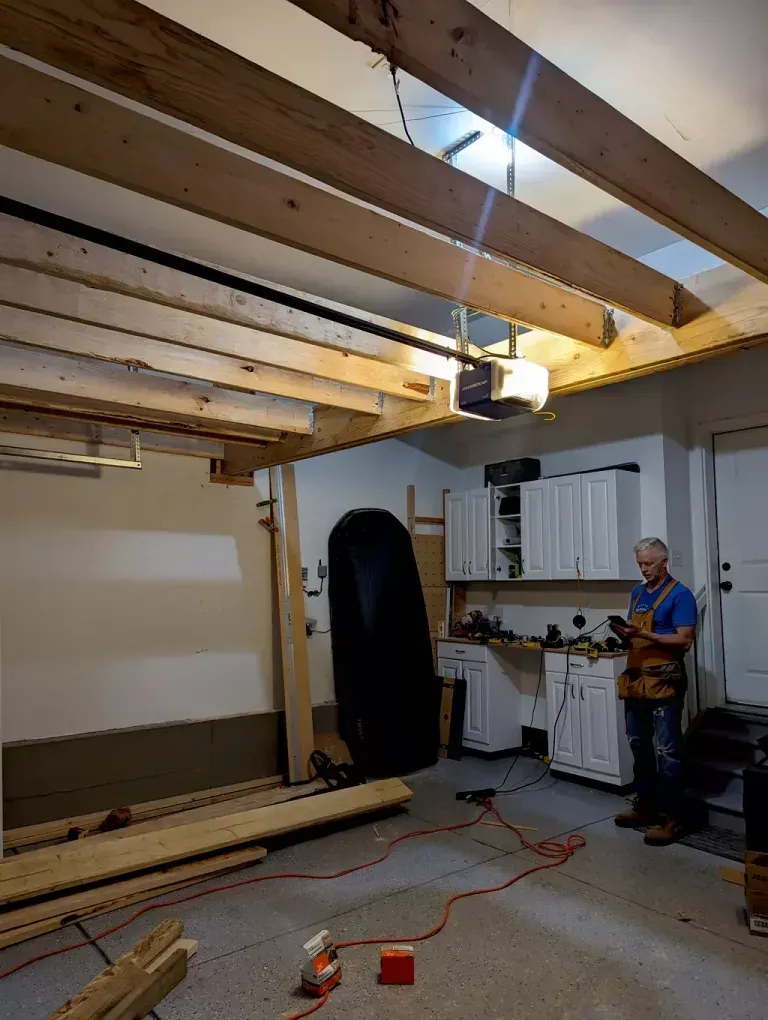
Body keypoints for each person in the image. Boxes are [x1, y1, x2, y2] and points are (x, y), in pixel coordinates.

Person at [610, 538, 696, 846]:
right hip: (636, 678)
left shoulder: (681, 595)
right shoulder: (637, 593)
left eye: (649, 563)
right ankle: (645, 806)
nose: (644, 569)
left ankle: (673, 818)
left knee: (668, 751)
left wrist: (646, 634)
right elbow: (634, 629)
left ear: (664, 562)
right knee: (638, 744)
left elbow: (684, 639)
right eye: (640, 564)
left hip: (664, 680)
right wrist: (625, 632)